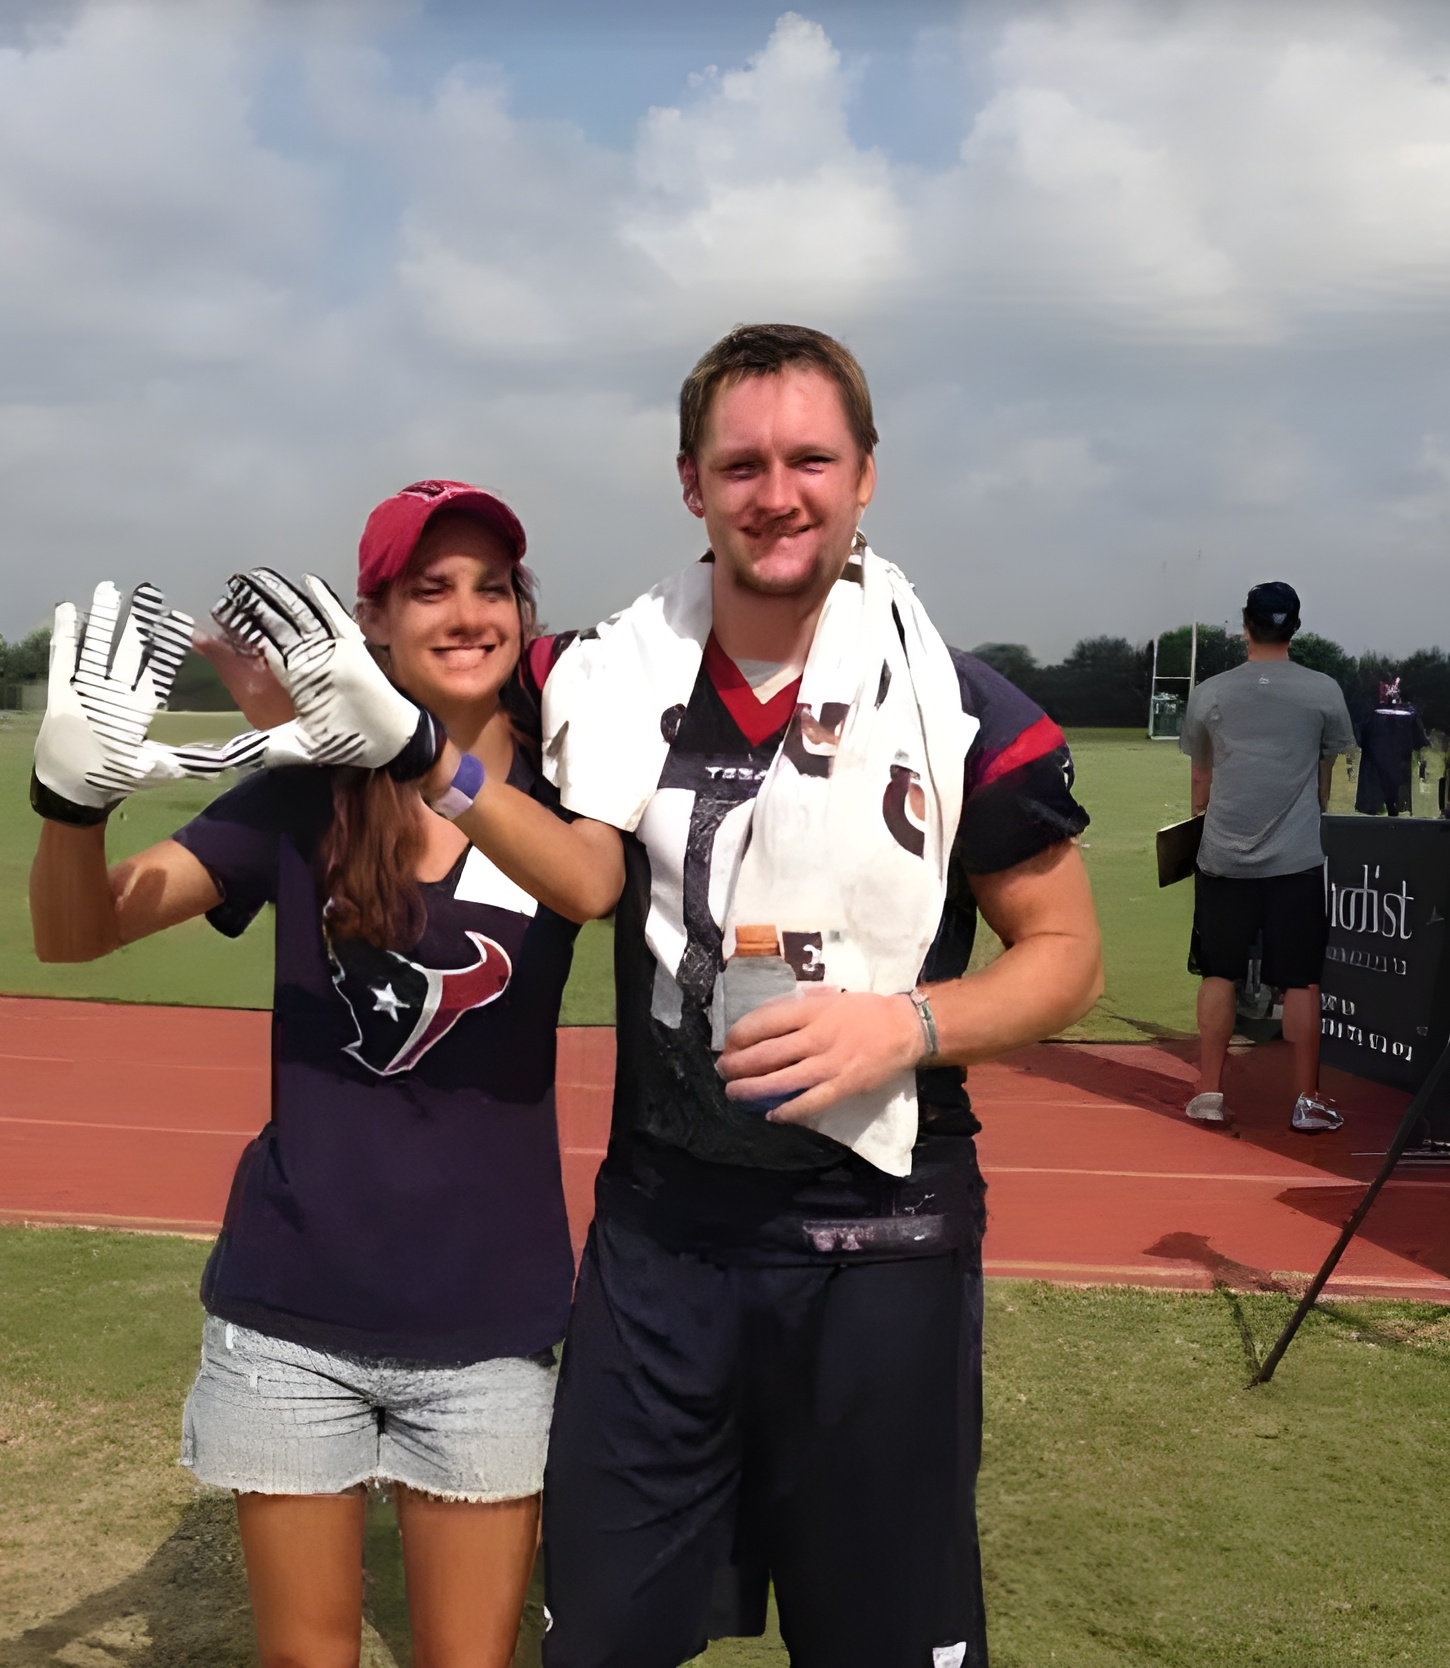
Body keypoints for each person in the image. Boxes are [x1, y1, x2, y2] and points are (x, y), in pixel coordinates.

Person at [291, 325, 1099, 1668]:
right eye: (742, 465)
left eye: (809, 460)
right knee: (601, 1638)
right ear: (692, 486)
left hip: (882, 1233)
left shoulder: (964, 710)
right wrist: (303, 687)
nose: (776, 493)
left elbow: (1065, 954)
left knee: (882, 1646)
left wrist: (906, 1023)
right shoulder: (594, 677)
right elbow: (440, 695)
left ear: (867, 476)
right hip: (664, 1236)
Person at [26, 481, 599, 1668]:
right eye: (427, 588)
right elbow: (80, 932)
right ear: (371, 622)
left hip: (489, 1318)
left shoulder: (569, 791)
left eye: (492, 586)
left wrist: (425, 754)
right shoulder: (304, 795)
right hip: (293, 1314)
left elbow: (591, 885)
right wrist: (69, 811)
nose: (466, 610)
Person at [1180, 581, 1354, 1133]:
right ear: (1294, 627)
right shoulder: (1323, 690)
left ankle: (1208, 1092)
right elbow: (1324, 783)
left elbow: (1201, 782)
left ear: (1246, 624)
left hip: (1222, 857)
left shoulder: (1210, 692)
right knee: (1300, 980)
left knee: (1218, 973)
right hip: (1296, 859)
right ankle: (1306, 1099)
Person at [1354, 676, 1426, 816]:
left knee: (1389, 785)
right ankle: (1384, 805)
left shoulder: (1404, 715)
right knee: (1384, 784)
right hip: (1387, 759)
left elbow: (1419, 740)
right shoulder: (1375, 714)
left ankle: (1389, 805)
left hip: (1393, 760)